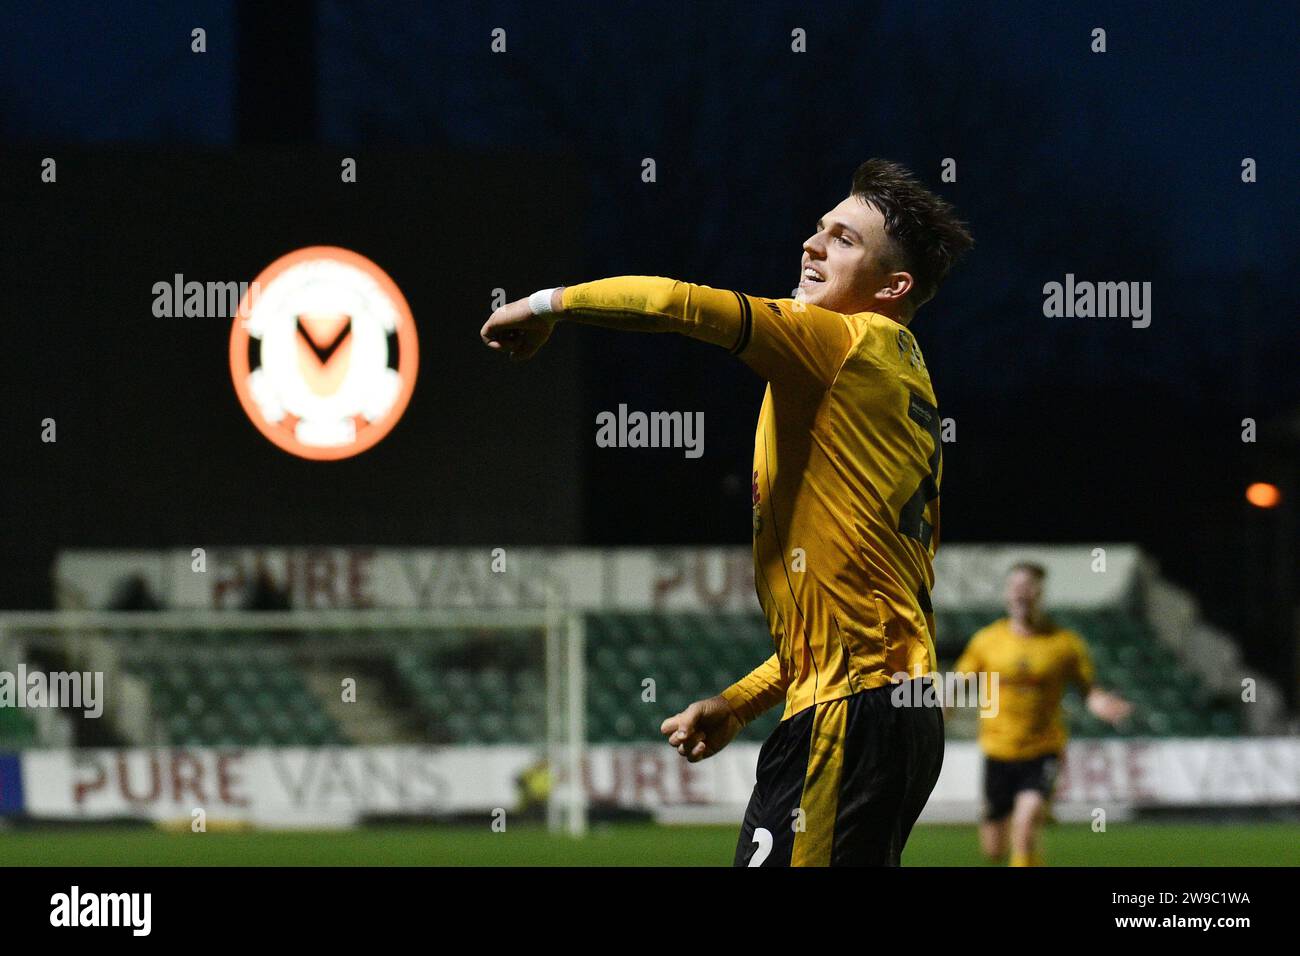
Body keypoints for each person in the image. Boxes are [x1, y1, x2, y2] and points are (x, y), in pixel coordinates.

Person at [482, 159, 973, 865]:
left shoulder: (839, 343)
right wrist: (740, 703)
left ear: (893, 287)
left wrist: (543, 305)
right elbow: (853, 616)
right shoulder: (894, 373)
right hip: (876, 708)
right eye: (817, 230)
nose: (811, 245)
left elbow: (673, 303)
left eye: (842, 239)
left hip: (850, 714)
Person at [954, 562, 1133, 866]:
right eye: (1015, 587)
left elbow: (1087, 690)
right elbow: (959, 683)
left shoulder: (1064, 644)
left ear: (1040, 593)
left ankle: (1030, 836)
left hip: (1042, 750)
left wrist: (1101, 703)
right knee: (994, 849)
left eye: (1028, 587)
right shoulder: (986, 641)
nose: (1021, 593)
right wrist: (939, 709)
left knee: (1024, 825)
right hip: (997, 750)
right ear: (1007, 595)